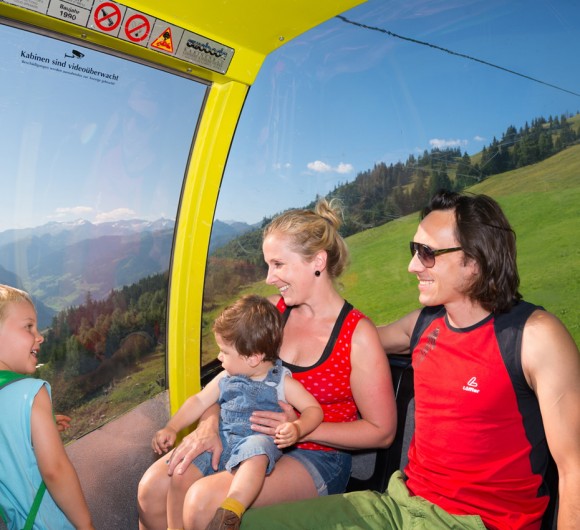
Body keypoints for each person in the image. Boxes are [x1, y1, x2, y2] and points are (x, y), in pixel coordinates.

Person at [239, 190, 580, 530]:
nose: (412, 265)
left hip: (475, 523)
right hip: (399, 505)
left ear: (475, 261)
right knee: (245, 523)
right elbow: (349, 338)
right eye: (414, 251)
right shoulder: (423, 324)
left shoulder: (534, 337)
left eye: (427, 253)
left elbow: (573, 470)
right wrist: (297, 308)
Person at [138, 199, 397, 530]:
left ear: (317, 261)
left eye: (278, 264)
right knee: (152, 488)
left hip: (315, 455)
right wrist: (209, 423)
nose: (269, 277)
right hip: (242, 434)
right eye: (267, 265)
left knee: (203, 502)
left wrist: (299, 429)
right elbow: (228, 378)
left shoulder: (357, 336)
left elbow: (382, 432)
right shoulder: (273, 314)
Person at [150, 294, 323, 530]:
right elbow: (200, 401)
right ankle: (174, 527)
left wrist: (297, 428)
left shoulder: (282, 383)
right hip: (223, 438)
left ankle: (231, 509)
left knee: (257, 454)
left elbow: (313, 409)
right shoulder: (227, 376)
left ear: (253, 357)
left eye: (225, 352)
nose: (219, 357)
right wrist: (172, 426)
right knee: (180, 470)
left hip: (256, 438)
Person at [0, 284, 95, 530]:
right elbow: (55, 471)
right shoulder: (32, 393)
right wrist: (86, 525)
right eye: (29, 326)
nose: (40, 335)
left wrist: (38, 428)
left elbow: (9, 447)